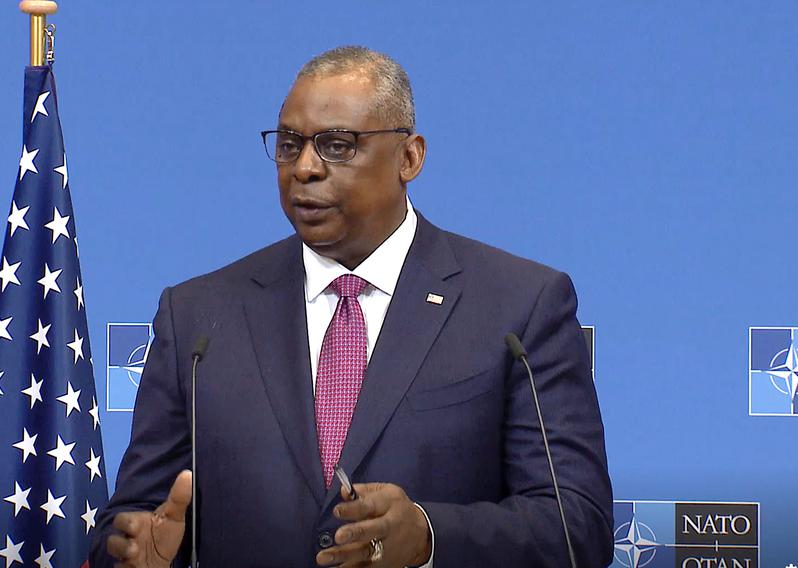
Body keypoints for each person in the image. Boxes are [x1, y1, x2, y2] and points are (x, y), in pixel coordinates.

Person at [91, 46, 613, 567]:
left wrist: (429, 537)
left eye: (337, 146)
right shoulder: (198, 318)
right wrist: (139, 553)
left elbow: (577, 529)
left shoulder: (518, 307)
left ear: (410, 157)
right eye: (290, 146)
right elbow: (136, 520)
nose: (305, 168)